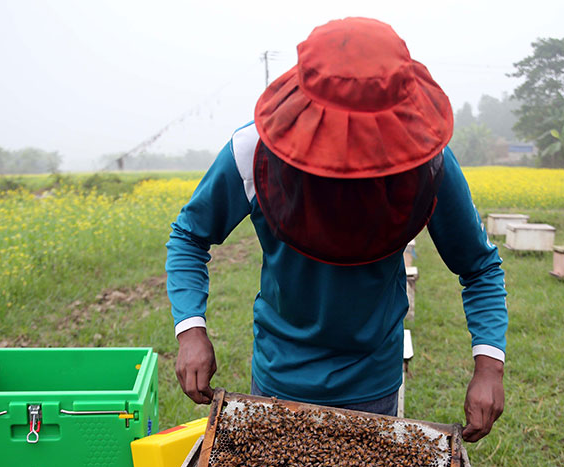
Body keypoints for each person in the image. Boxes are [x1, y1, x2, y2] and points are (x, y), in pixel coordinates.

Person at [166, 17, 507, 442]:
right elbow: (189, 235)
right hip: (278, 375)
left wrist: (488, 365)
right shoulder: (253, 151)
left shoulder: (427, 164)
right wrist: (191, 330)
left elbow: (478, 266)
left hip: (373, 383)